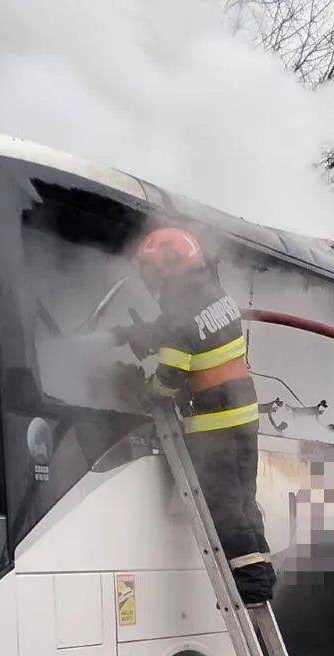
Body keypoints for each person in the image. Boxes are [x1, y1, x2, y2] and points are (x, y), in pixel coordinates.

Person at [114, 226, 276, 604]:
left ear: (171, 264)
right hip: (243, 417)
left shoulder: (179, 309)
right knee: (245, 501)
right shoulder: (216, 296)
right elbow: (195, 333)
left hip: (214, 424)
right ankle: (263, 573)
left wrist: (151, 395)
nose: (149, 277)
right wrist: (149, 333)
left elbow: (172, 373)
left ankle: (251, 584)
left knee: (223, 505)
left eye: (152, 268)